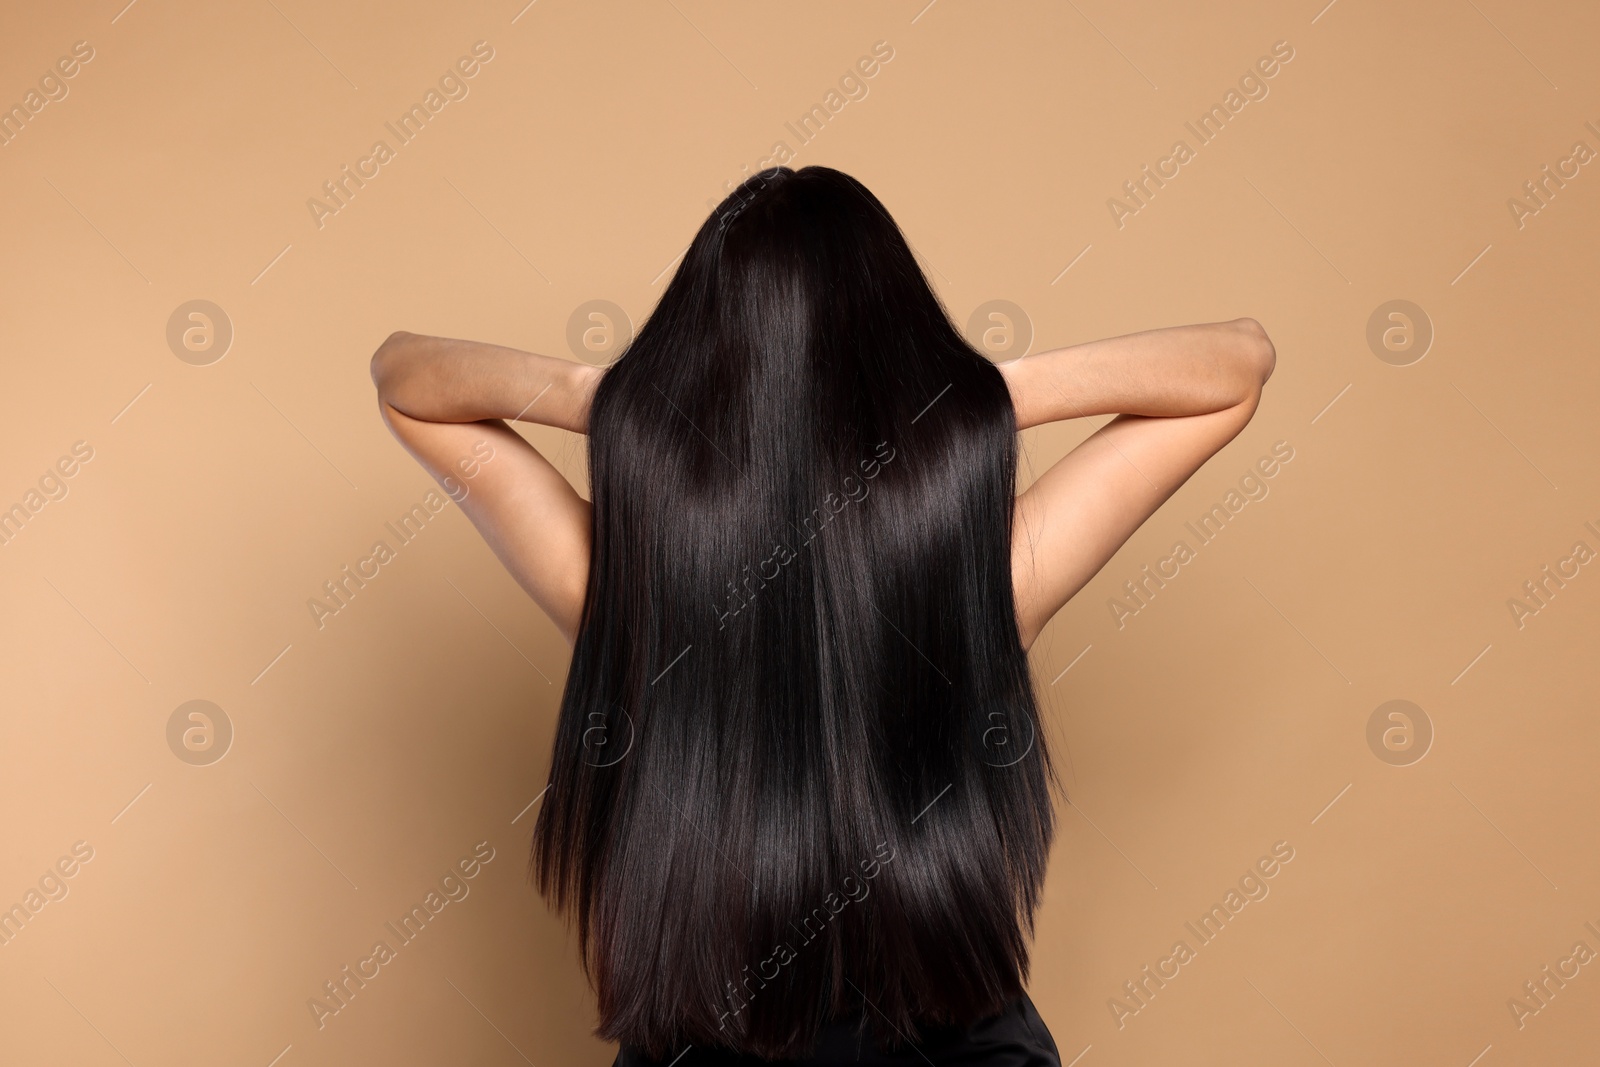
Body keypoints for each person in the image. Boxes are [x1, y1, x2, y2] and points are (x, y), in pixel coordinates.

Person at [371, 165, 1274, 1065]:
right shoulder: (982, 575)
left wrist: (607, 399)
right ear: (899, 353)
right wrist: (975, 398)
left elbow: (404, 375)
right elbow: (1238, 363)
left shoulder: (632, 586)